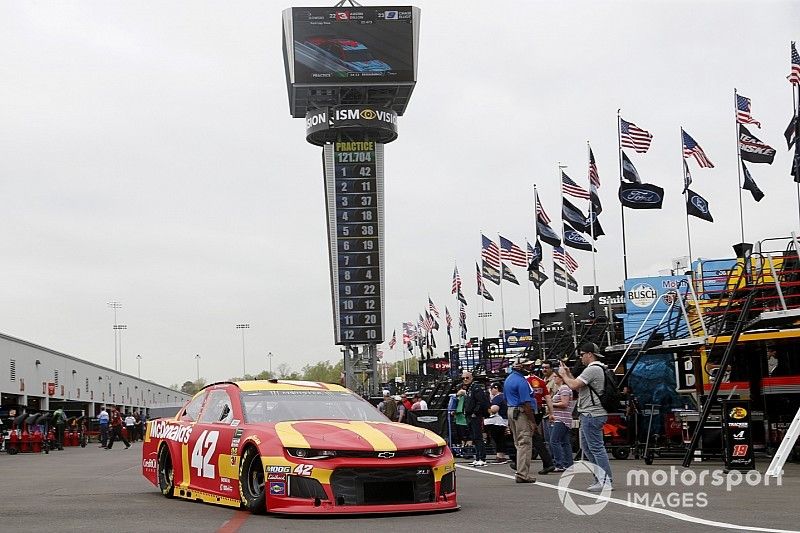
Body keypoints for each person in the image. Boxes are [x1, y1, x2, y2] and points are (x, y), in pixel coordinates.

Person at [558, 342, 612, 492]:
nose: (581, 358)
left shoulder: (592, 369)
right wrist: (568, 373)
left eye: (582, 355)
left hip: (591, 413)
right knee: (588, 448)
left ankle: (605, 480)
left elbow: (574, 385)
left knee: (595, 448)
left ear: (589, 354)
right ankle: (600, 479)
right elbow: (577, 384)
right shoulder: (599, 368)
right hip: (592, 413)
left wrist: (563, 375)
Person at [504, 358, 537, 483]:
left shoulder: (509, 379)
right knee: (525, 443)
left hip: (511, 410)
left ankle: (521, 471)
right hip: (520, 412)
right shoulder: (521, 381)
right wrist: (532, 422)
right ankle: (522, 473)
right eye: (527, 366)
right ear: (520, 367)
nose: (530, 368)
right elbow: (526, 403)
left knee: (518, 442)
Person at [524, 362, 556, 475]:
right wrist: (551, 413)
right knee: (533, 435)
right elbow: (548, 399)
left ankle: (547, 462)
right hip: (539, 409)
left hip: (528, 410)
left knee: (529, 436)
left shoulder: (524, 381)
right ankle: (547, 462)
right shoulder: (541, 382)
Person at [549, 372, 575, 472]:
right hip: (563, 418)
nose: (554, 379)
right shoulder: (562, 389)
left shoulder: (564, 388)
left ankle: (559, 464)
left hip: (562, 419)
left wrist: (552, 404)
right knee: (565, 442)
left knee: (554, 441)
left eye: (555, 377)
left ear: (561, 378)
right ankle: (568, 464)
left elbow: (565, 403)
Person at [462, 371, 488, 467]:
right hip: (469, 415)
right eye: (463, 378)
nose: (465, 380)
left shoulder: (476, 388)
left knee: (478, 437)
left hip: (475, 416)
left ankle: (482, 457)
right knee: (474, 437)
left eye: (467, 377)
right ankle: (477, 457)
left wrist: (475, 413)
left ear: (471, 378)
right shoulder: (469, 389)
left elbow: (480, 402)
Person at [485, 382, 509, 464]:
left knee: (498, 439)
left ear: (496, 388)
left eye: (491, 389)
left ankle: (500, 456)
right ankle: (500, 456)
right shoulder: (505, 397)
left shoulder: (498, 398)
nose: (490, 391)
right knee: (501, 438)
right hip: (504, 420)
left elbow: (494, 409)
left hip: (497, 421)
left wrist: (488, 409)